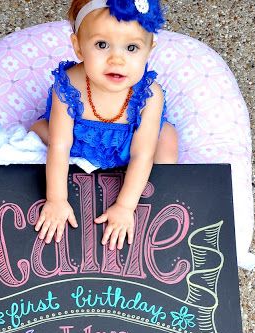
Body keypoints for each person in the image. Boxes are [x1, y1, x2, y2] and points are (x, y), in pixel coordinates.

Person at [31, 0, 178, 249]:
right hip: (81, 141)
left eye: (132, 48)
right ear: (78, 47)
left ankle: (160, 192)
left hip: (129, 146)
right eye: (101, 45)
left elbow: (142, 154)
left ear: (149, 50)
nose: (116, 60)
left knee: (167, 139)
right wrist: (56, 199)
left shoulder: (149, 95)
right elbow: (60, 144)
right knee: (37, 131)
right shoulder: (67, 86)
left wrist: (125, 206)